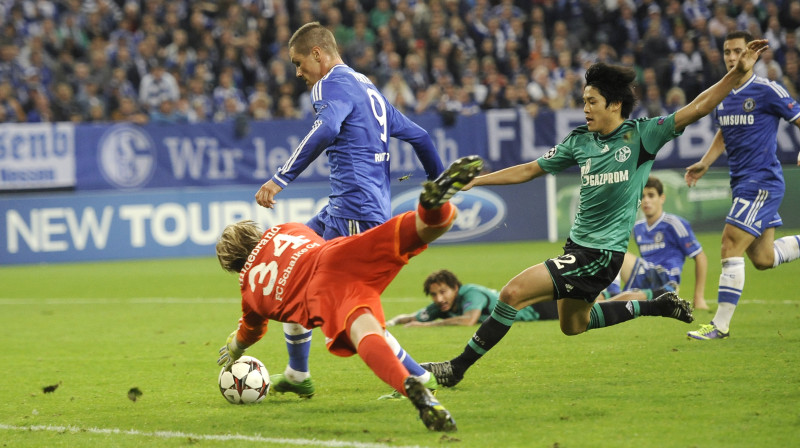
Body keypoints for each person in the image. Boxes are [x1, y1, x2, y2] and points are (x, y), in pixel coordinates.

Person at [421, 39, 769, 388]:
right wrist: (475, 182)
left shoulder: (642, 136)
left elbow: (698, 107)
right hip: (578, 248)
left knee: (511, 293)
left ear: (615, 105)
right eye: (583, 101)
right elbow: (530, 169)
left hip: (602, 254)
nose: (584, 109)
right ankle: (657, 306)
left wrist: (735, 74)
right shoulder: (579, 141)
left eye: (592, 102)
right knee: (574, 325)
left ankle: (457, 368)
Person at [217, 156, 484, 432]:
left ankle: (411, 384)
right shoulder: (284, 229)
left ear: (232, 265)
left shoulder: (250, 290)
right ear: (254, 233)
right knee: (412, 233)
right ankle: (433, 209)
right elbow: (313, 233)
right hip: (338, 253)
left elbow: (251, 330)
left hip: (323, 290)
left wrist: (235, 347)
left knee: (363, 331)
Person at [253, 22, 445, 399]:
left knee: (354, 309)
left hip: (355, 213)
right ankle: (297, 372)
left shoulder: (329, 85)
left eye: (298, 62)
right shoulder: (366, 86)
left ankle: (417, 376)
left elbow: (325, 130)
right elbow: (421, 137)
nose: (297, 73)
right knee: (291, 271)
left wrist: (280, 178)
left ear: (317, 54)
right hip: (344, 209)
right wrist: (439, 186)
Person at [684, 31, 800, 341]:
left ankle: (719, 326)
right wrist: (705, 162)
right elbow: (724, 132)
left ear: (752, 54)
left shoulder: (767, 90)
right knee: (763, 259)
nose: (732, 58)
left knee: (729, 243)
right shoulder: (722, 94)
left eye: (738, 51)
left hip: (761, 182)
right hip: (742, 183)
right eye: (727, 52)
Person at [602, 176, 708, 311]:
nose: (646, 200)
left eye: (651, 195)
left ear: (661, 198)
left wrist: (698, 297)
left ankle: (612, 298)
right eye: (643, 196)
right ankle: (613, 298)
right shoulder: (638, 228)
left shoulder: (673, 223)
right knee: (606, 253)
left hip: (665, 278)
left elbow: (700, 257)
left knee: (615, 252)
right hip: (646, 278)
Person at [386, 269, 559, 327]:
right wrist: (389, 324)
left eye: (443, 292)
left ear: (455, 288)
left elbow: (469, 320)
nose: (438, 299)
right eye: (434, 294)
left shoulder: (471, 293)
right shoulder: (442, 306)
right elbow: (409, 318)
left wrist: (427, 325)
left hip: (541, 307)